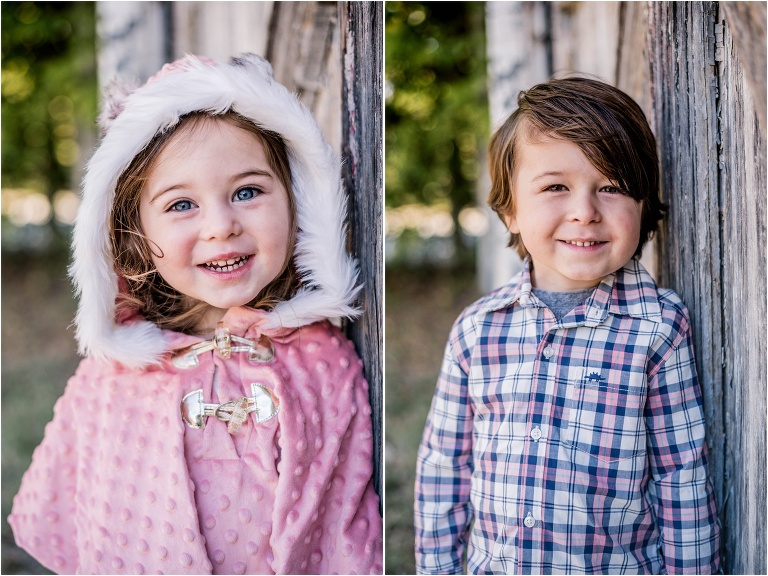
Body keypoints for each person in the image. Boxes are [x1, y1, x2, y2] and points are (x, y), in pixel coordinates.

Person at [9, 53, 382, 575]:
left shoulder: (325, 363)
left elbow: (340, 519)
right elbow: (94, 521)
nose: (221, 225)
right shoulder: (115, 376)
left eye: (248, 192)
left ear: (300, 202)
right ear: (135, 232)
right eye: (181, 204)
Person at [414, 77, 720, 574]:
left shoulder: (657, 330)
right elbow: (443, 471)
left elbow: (681, 480)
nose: (585, 212)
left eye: (612, 187)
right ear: (511, 209)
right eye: (556, 187)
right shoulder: (477, 331)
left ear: (642, 206)